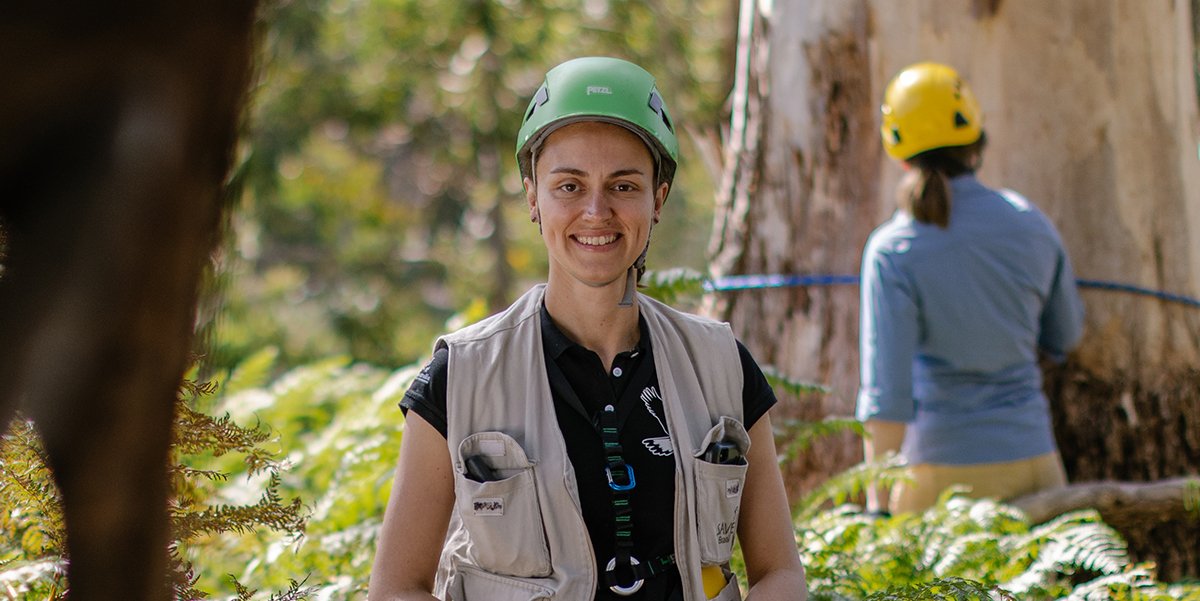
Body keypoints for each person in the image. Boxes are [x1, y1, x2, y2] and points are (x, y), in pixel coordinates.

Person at [368, 56, 807, 601]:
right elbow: (395, 589)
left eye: (623, 186)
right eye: (569, 186)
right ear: (533, 197)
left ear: (658, 199)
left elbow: (781, 574)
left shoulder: (720, 365)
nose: (596, 211)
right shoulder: (459, 377)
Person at [856, 62, 1086, 515]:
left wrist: (876, 507)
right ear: (976, 142)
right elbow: (1066, 336)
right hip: (1035, 467)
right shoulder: (1031, 224)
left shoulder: (893, 249)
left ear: (900, 153)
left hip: (936, 481)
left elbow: (887, 395)